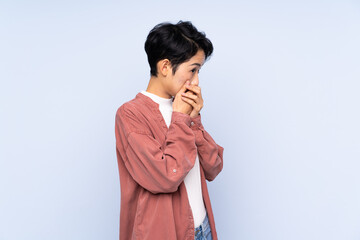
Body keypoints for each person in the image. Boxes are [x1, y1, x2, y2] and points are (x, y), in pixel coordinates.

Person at [114, 20, 224, 240]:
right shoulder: (130, 115)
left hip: (202, 229)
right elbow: (165, 177)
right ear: (165, 67)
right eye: (193, 70)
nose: (196, 80)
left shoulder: (182, 109)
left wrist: (194, 120)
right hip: (165, 233)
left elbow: (213, 167)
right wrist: (182, 118)